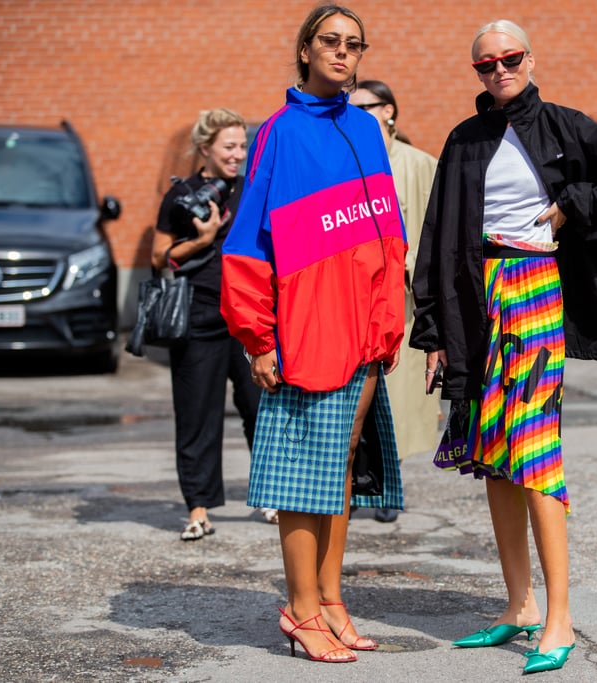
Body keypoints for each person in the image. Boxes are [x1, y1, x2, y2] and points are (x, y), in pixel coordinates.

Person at [409, 20, 597, 674]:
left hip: (535, 292)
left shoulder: (565, 127)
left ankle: (560, 616)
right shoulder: (464, 141)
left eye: (510, 58)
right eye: (486, 64)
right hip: (477, 296)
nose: (499, 70)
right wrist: (435, 331)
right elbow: (439, 236)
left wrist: (571, 205)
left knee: (532, 448)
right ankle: (520, 605)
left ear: (531, 58)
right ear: (475, 72)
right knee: (493, 453)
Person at [220, 4, 406, 664]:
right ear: (305, 50)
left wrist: (389, 321)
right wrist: (259, 339)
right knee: (304, 476)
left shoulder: (362, 127)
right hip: (305, 335)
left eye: (354, 45)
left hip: (364, 337)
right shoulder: (277, 133)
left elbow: (387, 233)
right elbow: (246, 247)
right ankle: (300, 611)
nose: (343, 53)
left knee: (341, 470)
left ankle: (330, 598)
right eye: (330, 42)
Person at [150, 108, 264, 542]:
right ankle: (198, 508)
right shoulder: (182, 197)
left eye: (241, 146)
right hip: (199, 316)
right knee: (198, 415)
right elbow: (159, 256)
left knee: (260, 410)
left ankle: (269, 497)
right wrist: (200, 239)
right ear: (205, 149)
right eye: (228, 147)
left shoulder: (253, 190)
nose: (238, 154)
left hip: (249, 316)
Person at [350, 79, 439, 523]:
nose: (357, 112)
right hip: (354, 298)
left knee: (397, 400)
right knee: (353, 398)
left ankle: (388, 486)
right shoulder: (346, 161)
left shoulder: (420, 164)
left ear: (389, 111)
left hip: (403, 300)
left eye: (366, 105)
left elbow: (435, 229)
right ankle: (354, 479)